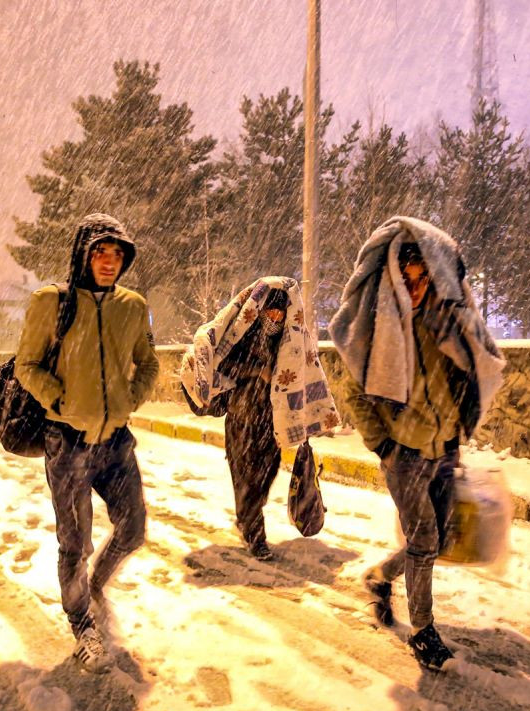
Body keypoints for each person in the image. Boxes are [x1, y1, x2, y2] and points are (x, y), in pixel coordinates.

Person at [329, 217, 505, 672]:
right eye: (406, 279)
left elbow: (473, 370)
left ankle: (381, 578)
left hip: (445, 446)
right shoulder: (378, 331)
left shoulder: (449, 325)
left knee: (441, 537)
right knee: (424, 539)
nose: (415, 287)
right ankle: (424, 632)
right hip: (404, 453)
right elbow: (352, 391)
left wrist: (461, 425)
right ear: (393, 278)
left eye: (423, 277)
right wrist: (384, 446)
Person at [14, 213, 159, 673]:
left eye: (117, 254)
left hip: (115, 442)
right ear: (83, 255)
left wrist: (130, 398)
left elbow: (149, 363)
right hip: (69, 443)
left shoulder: (132, 307)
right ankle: (83, 628)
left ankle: (94, 587)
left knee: (133, 529)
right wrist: (59, 398)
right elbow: (27, 365)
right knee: (74, 543)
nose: (109, 262)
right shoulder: (52, 303)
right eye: (100, 252)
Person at [181, 277, 339, 561]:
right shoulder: (243, 335)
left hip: (271, 422)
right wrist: (257, 370)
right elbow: (225, 362)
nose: (276, 316)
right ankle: (256, 536)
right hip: (242, 420)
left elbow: (303, 375)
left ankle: (246, 518)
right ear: (262, 309)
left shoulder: (289, 341)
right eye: (271, 310)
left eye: (281, 311)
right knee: (246, 480)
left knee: (265, 478)